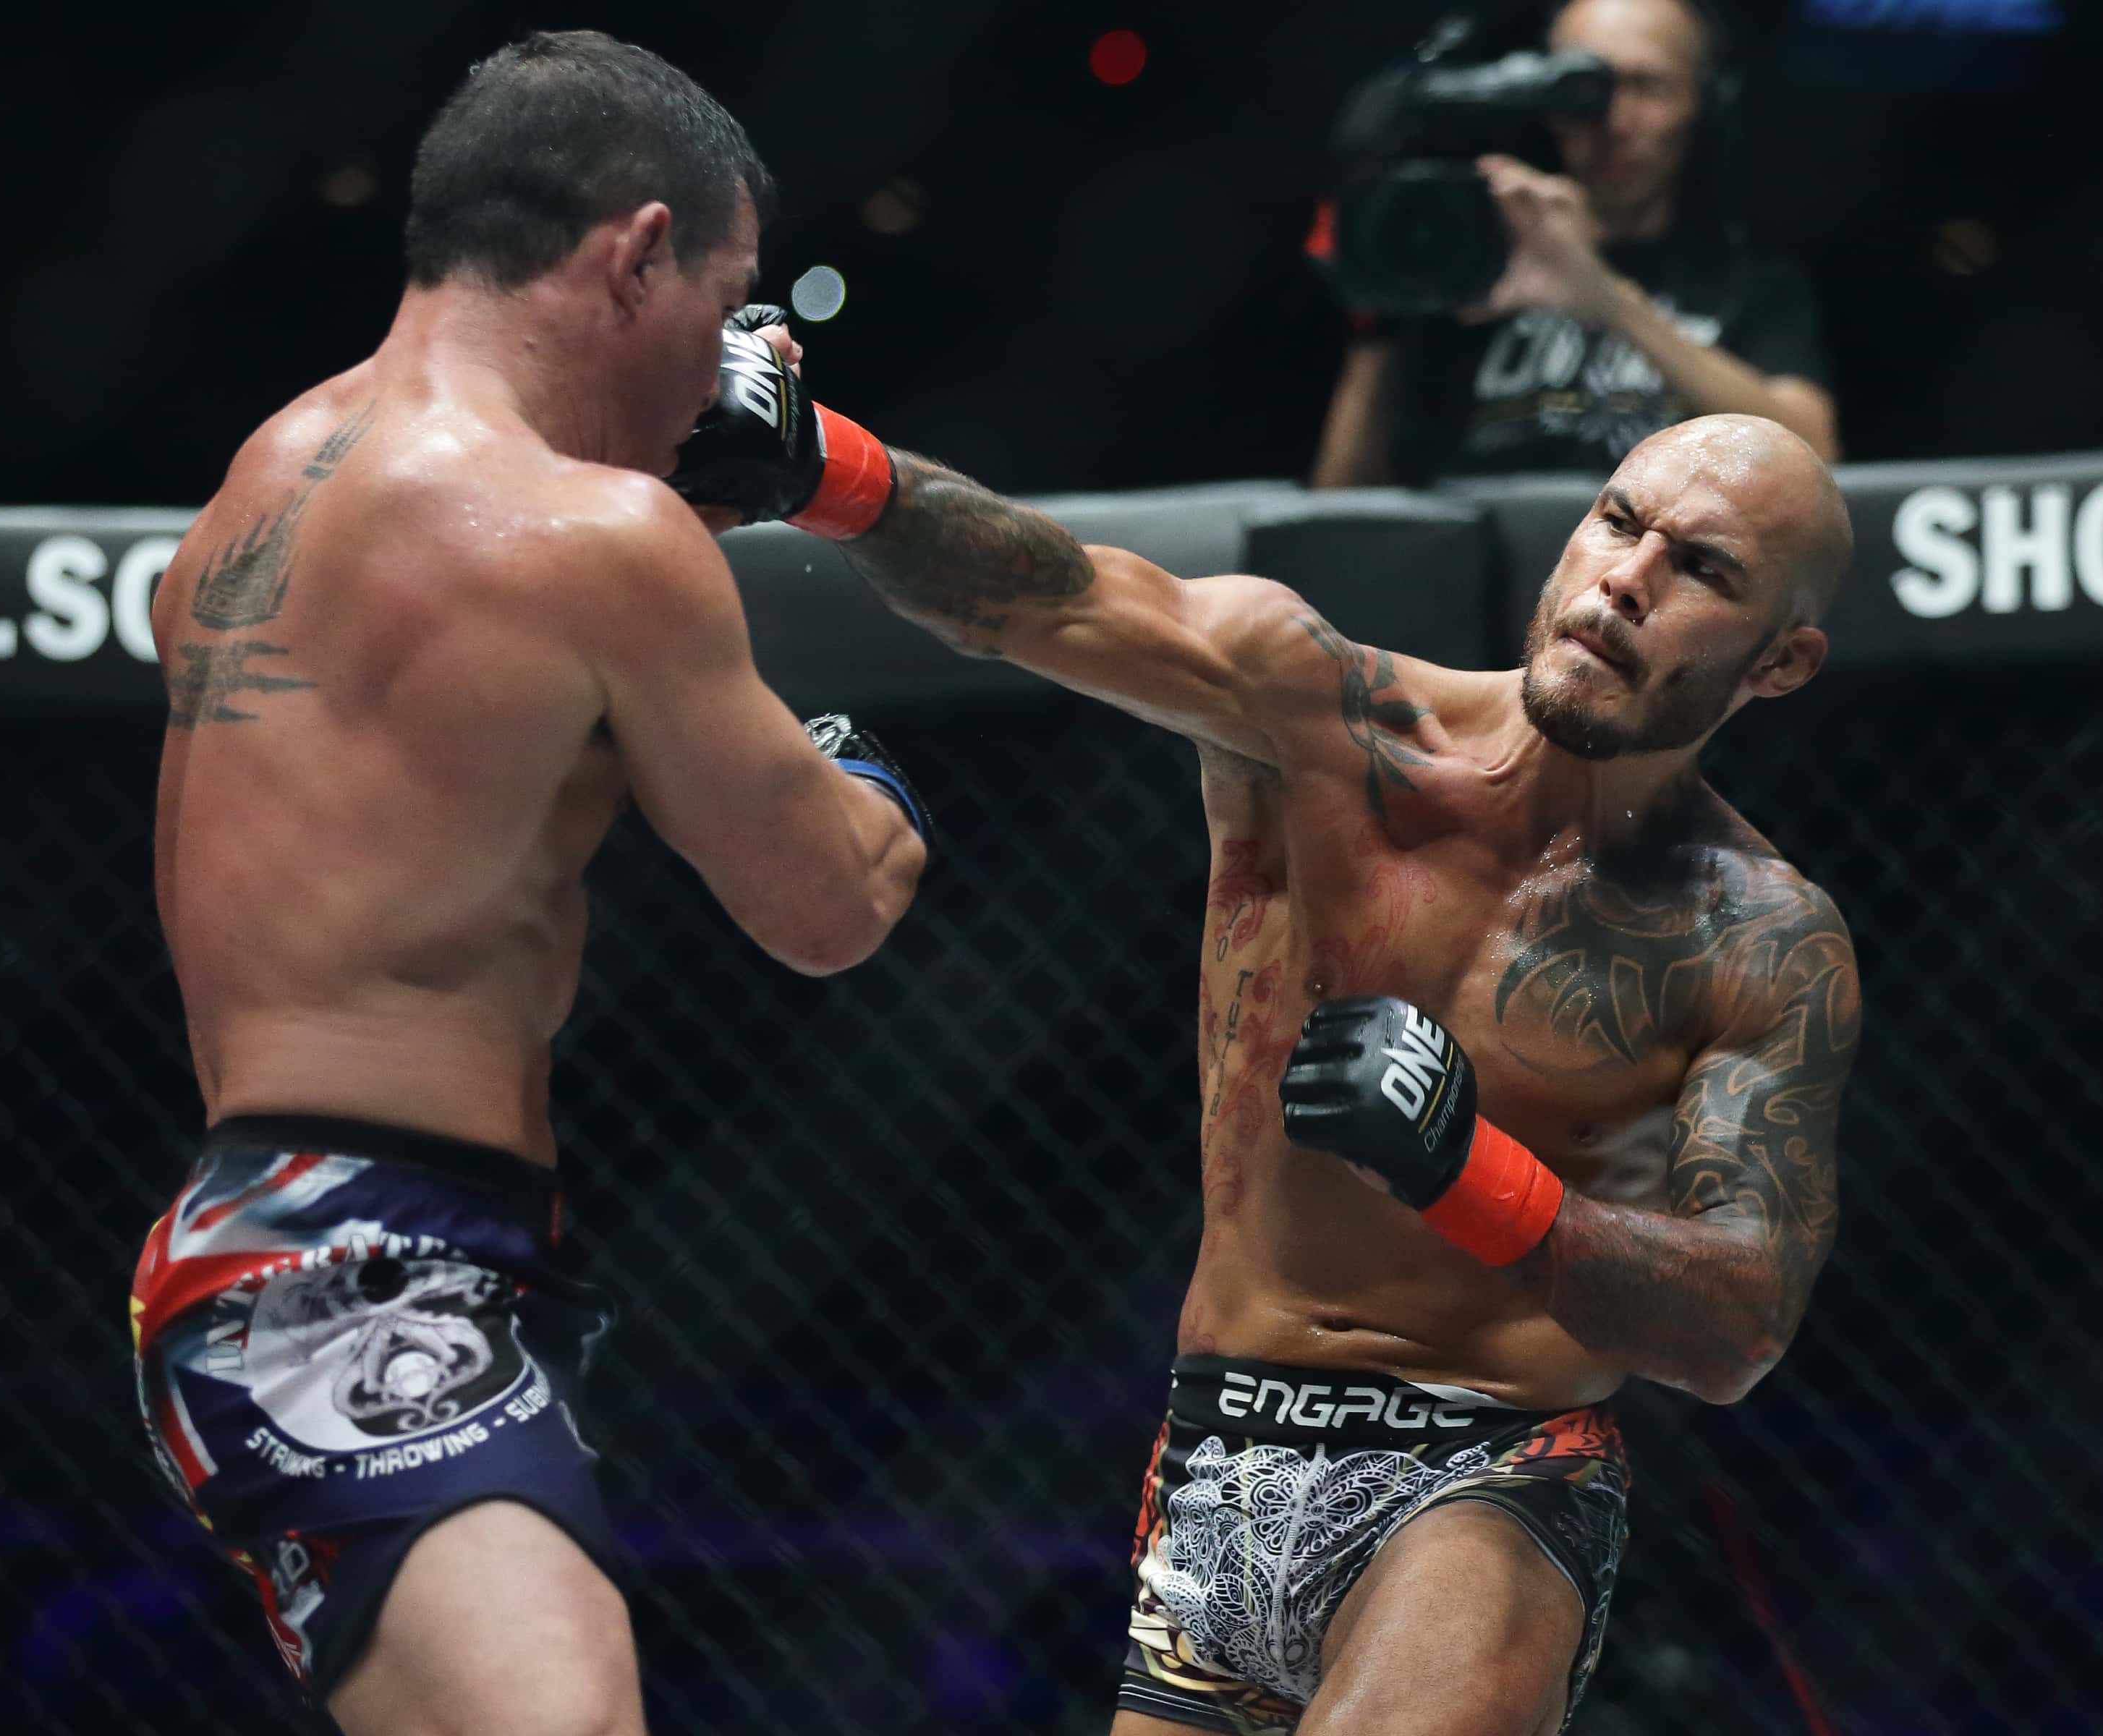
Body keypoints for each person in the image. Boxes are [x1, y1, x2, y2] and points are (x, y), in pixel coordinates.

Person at [676, 340, 1858, 1734]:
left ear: (1784, 661)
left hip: (1486, 1474)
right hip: (1216, 1457)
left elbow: (1737, 1322)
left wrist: (1467, 1172)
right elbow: (1051, 596)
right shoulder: (1323, 715)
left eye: (1702, 569)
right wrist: (823, 464)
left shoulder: (1755, 934)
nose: (1628, 580)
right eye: (1619, 521)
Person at [124, 33, 929, 1736]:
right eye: (726, 304)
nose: (727, 361)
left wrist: (666, 506)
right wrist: (865, 767)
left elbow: (475, 714)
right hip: (360, 1259)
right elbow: (829, 907)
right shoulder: (593, 544)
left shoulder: (255, 490)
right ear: (636, 254)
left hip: (270, 1235)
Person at [1312, 0, 1840, 490]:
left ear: (1702, 104)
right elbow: (1345, 504)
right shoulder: (1470, 260)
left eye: (1648, 86)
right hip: (1481, 548)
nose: (1615, 121)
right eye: (1583, 88)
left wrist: (1605, 298)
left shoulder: (1751, 284)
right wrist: (1374, 315)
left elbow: (1814, 458)